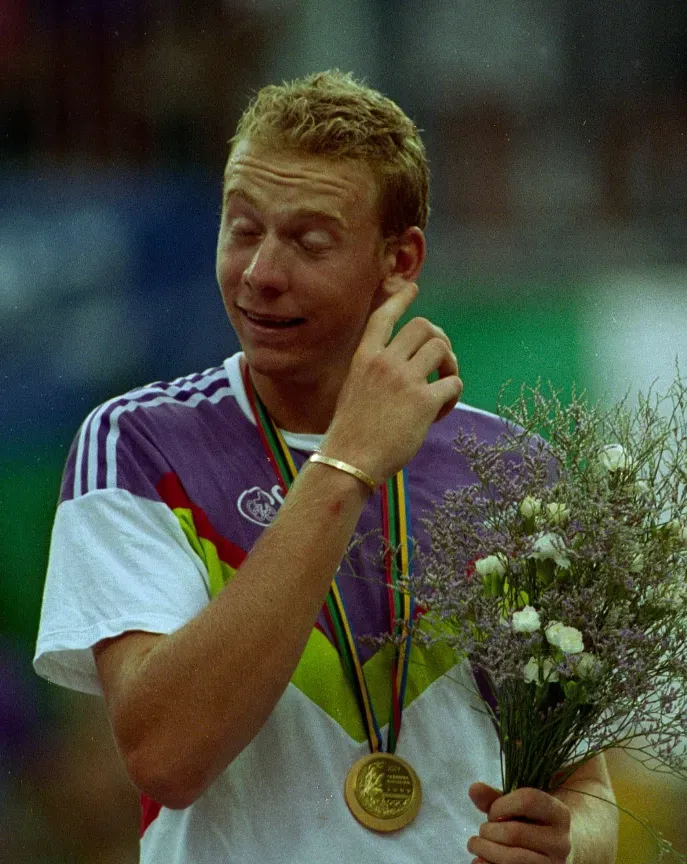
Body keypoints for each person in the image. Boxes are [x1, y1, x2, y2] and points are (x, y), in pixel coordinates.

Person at [34, 70, 618, 864]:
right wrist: (347, 465)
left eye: (308, 242)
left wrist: (571, 844)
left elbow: (589, 791)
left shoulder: (519, 473)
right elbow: (166, 755)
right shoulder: (138, 444)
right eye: (242, 229)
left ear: (398, 261)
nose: (260, 273)